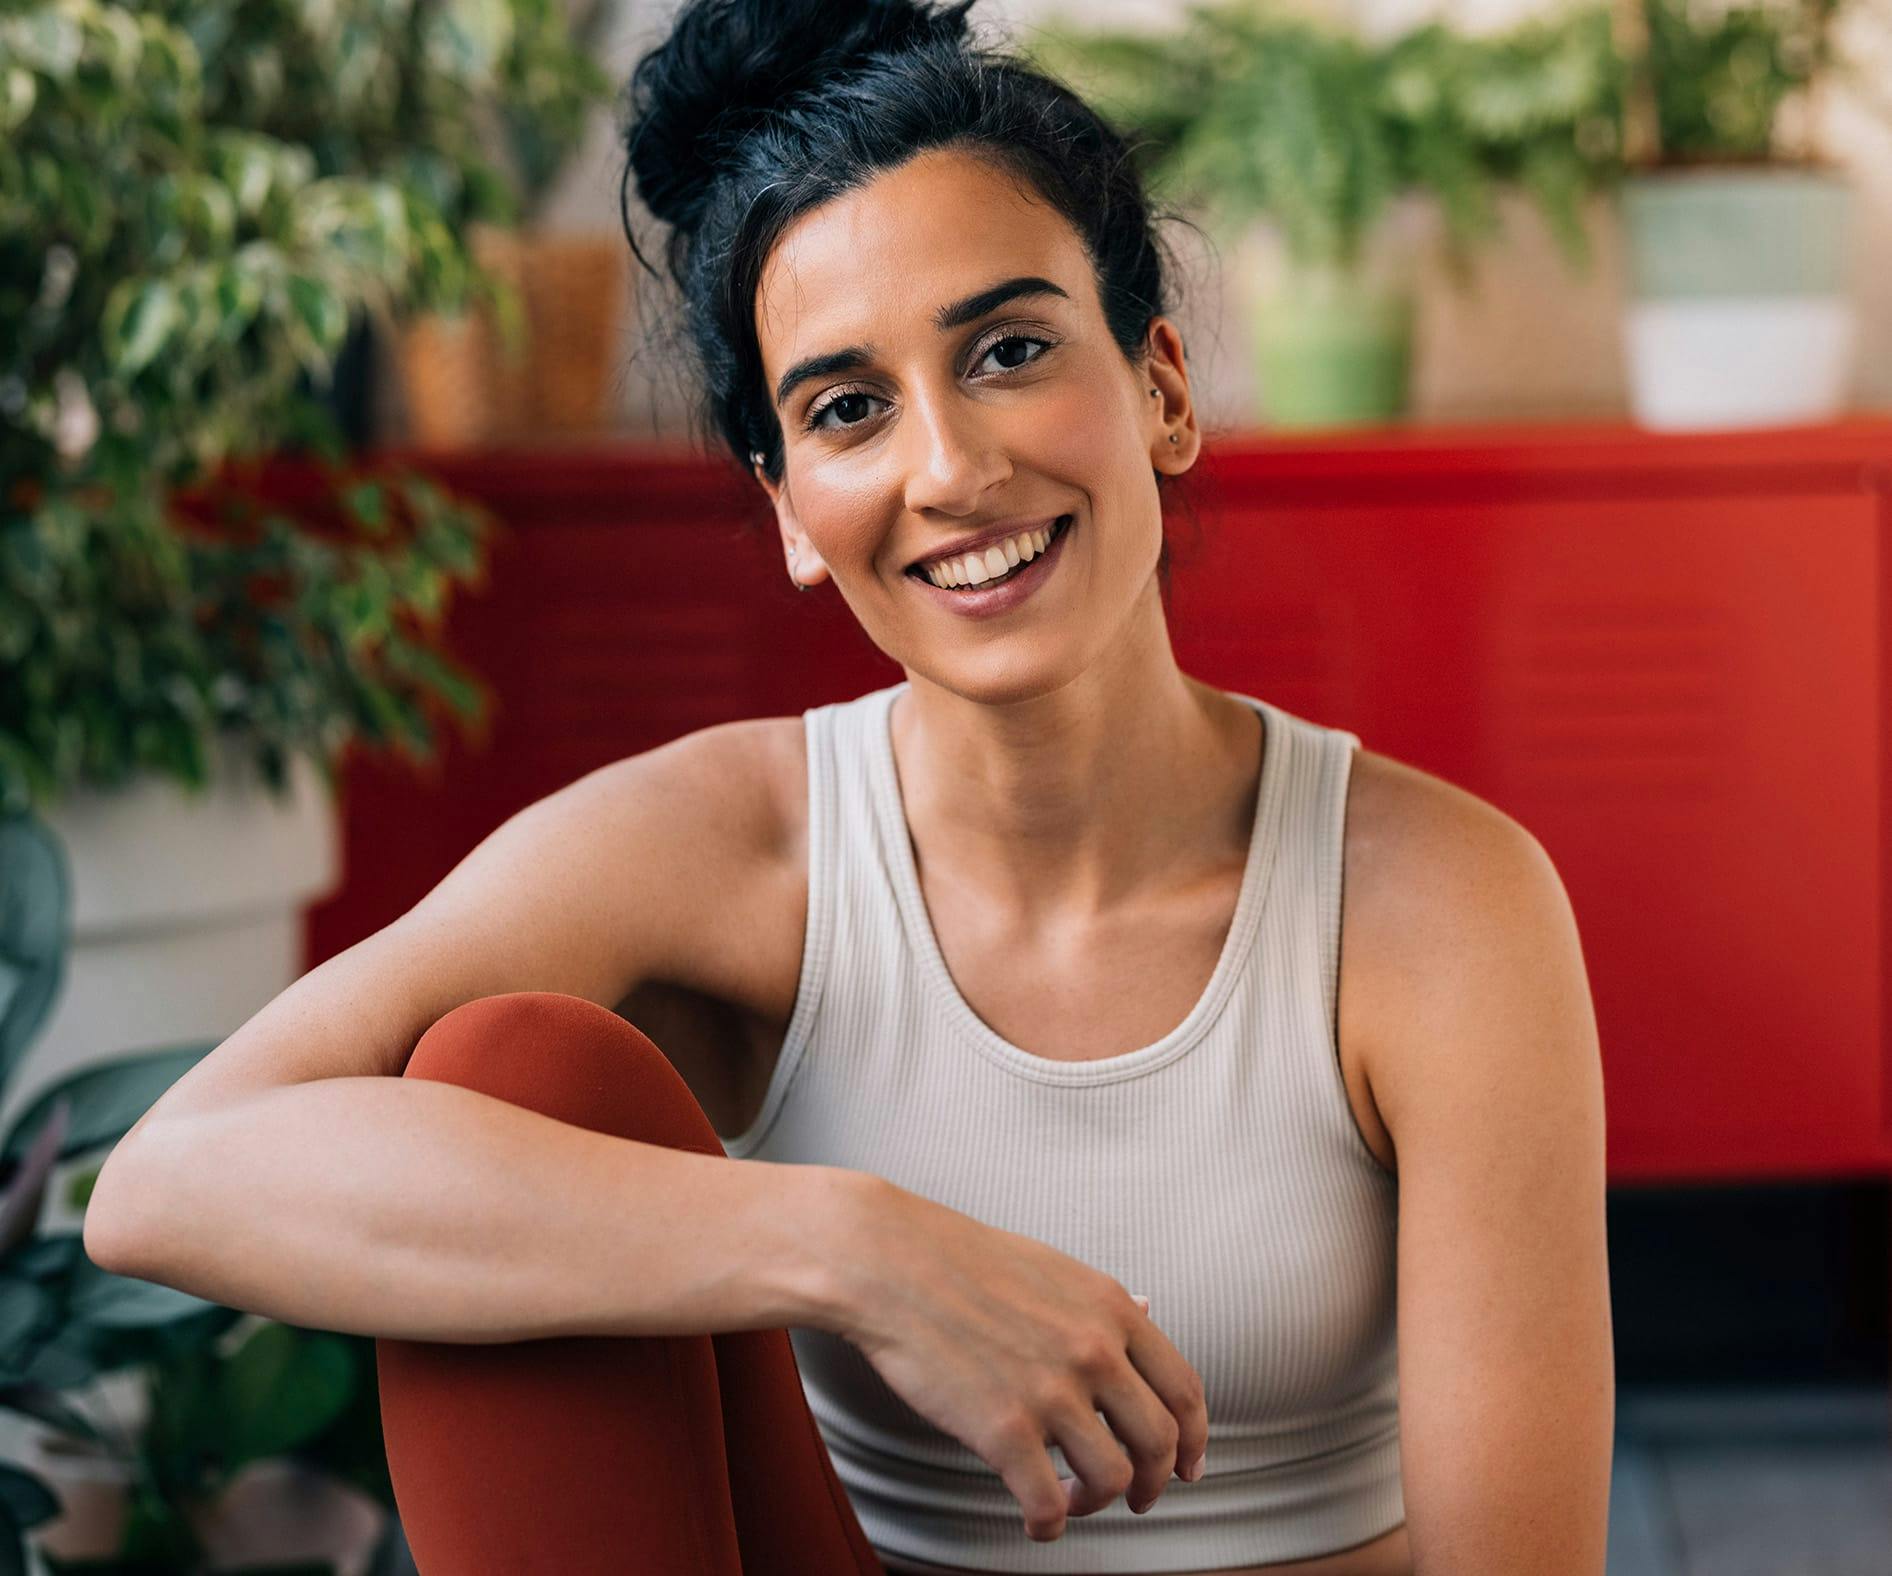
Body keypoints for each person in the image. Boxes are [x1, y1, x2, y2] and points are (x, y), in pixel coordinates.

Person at [81, 1, 1615, 1572]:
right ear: (794, 513)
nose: (949, 468)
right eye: (848, 409)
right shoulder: (735, 846)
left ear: (1159, 388)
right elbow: (170, 1181)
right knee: (512, 1072)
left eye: (1011, 351)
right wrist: (856, 1248)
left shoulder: (1434, 902)